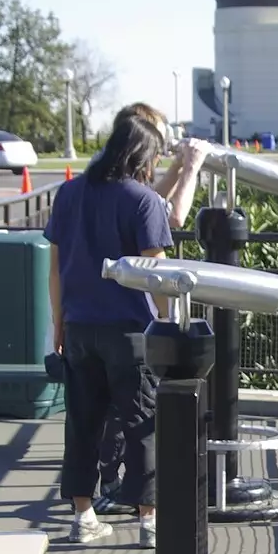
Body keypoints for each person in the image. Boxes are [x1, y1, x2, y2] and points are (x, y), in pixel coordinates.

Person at [45, 113, 173, 547]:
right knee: (141, 423)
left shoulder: (68, 193)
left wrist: (58, 326)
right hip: (130, 330)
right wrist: (170, 325)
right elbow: (154, 274)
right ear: (142, 154)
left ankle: (83, 516)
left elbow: (56, 270)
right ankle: (149, 521)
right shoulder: (143, 200)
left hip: (79, 326)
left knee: (82, 423)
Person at [93, 106, 210, 513]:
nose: (159, 158)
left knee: (106, 409)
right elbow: (169, 216)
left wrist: (179, 166)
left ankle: (104, 492)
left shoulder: (99, 177)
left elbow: (151, 201)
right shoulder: (125, 188)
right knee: (136, 414)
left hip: (88, 314)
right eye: (158, 148)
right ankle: (143, 510)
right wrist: (190, 168)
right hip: (125, 313)